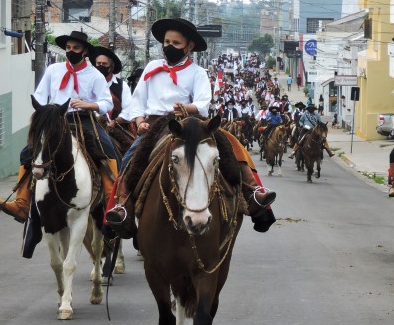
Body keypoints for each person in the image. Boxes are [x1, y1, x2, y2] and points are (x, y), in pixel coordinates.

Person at [104, 18, 275, 236]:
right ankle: (121, 207)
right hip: (155, 125)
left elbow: (204, 103)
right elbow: (138, 101)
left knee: (232, 145)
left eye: (176, 43)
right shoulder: (151, 67)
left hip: (188, 123)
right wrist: (140, 122)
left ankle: (254, 192)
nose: (169, 47)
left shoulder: (197, 72)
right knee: (130, 158)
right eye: (167, 42)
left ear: (189, 46)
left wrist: (187, 107)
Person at [0, 30, 118, 222]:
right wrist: (46, 112)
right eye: (68, 48)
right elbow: (40, 96)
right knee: (28, 151)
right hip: (55, 119)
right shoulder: (54, 70)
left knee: (107, 148)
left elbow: (107, 104)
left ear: (84, 50)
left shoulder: (94, 75)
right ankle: (22, 202)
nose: (71, 51)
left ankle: (112, 201)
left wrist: (87, 104)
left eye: (76, 48)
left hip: (83, 119)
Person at [92, 46, 130, 127]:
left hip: (116, 127)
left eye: (104, 64)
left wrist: (115, 122)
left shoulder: (122, 85)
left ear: (111, 66)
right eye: (98, 63)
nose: (101, 66)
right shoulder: (89, 83)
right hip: (92, 125)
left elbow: (128, 109)